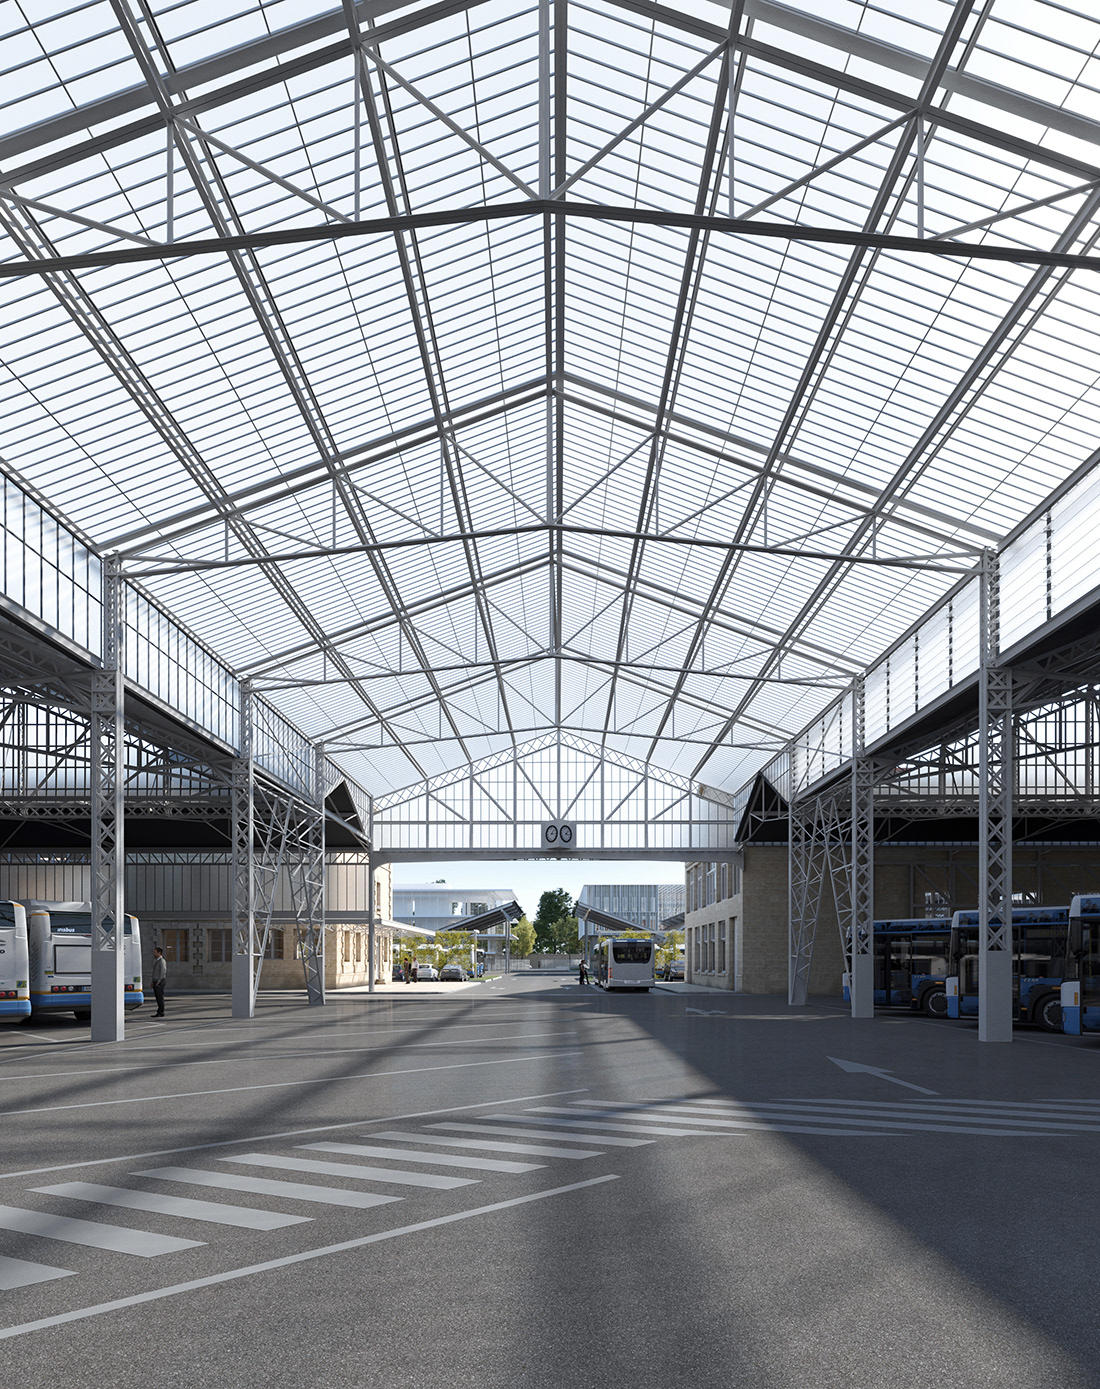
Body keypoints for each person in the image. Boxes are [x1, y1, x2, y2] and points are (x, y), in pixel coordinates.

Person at [151, 946, 166, 1017]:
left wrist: (159, 981)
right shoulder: (156, 961)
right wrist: (152, 981)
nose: (154, 954)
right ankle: (159, 1011)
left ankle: (161, 1012)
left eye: (155, 952)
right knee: (157, 997)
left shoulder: (162, 961)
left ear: (159, 953)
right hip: (155, 981)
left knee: (160, 997)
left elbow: (163, 972)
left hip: (159, 981)